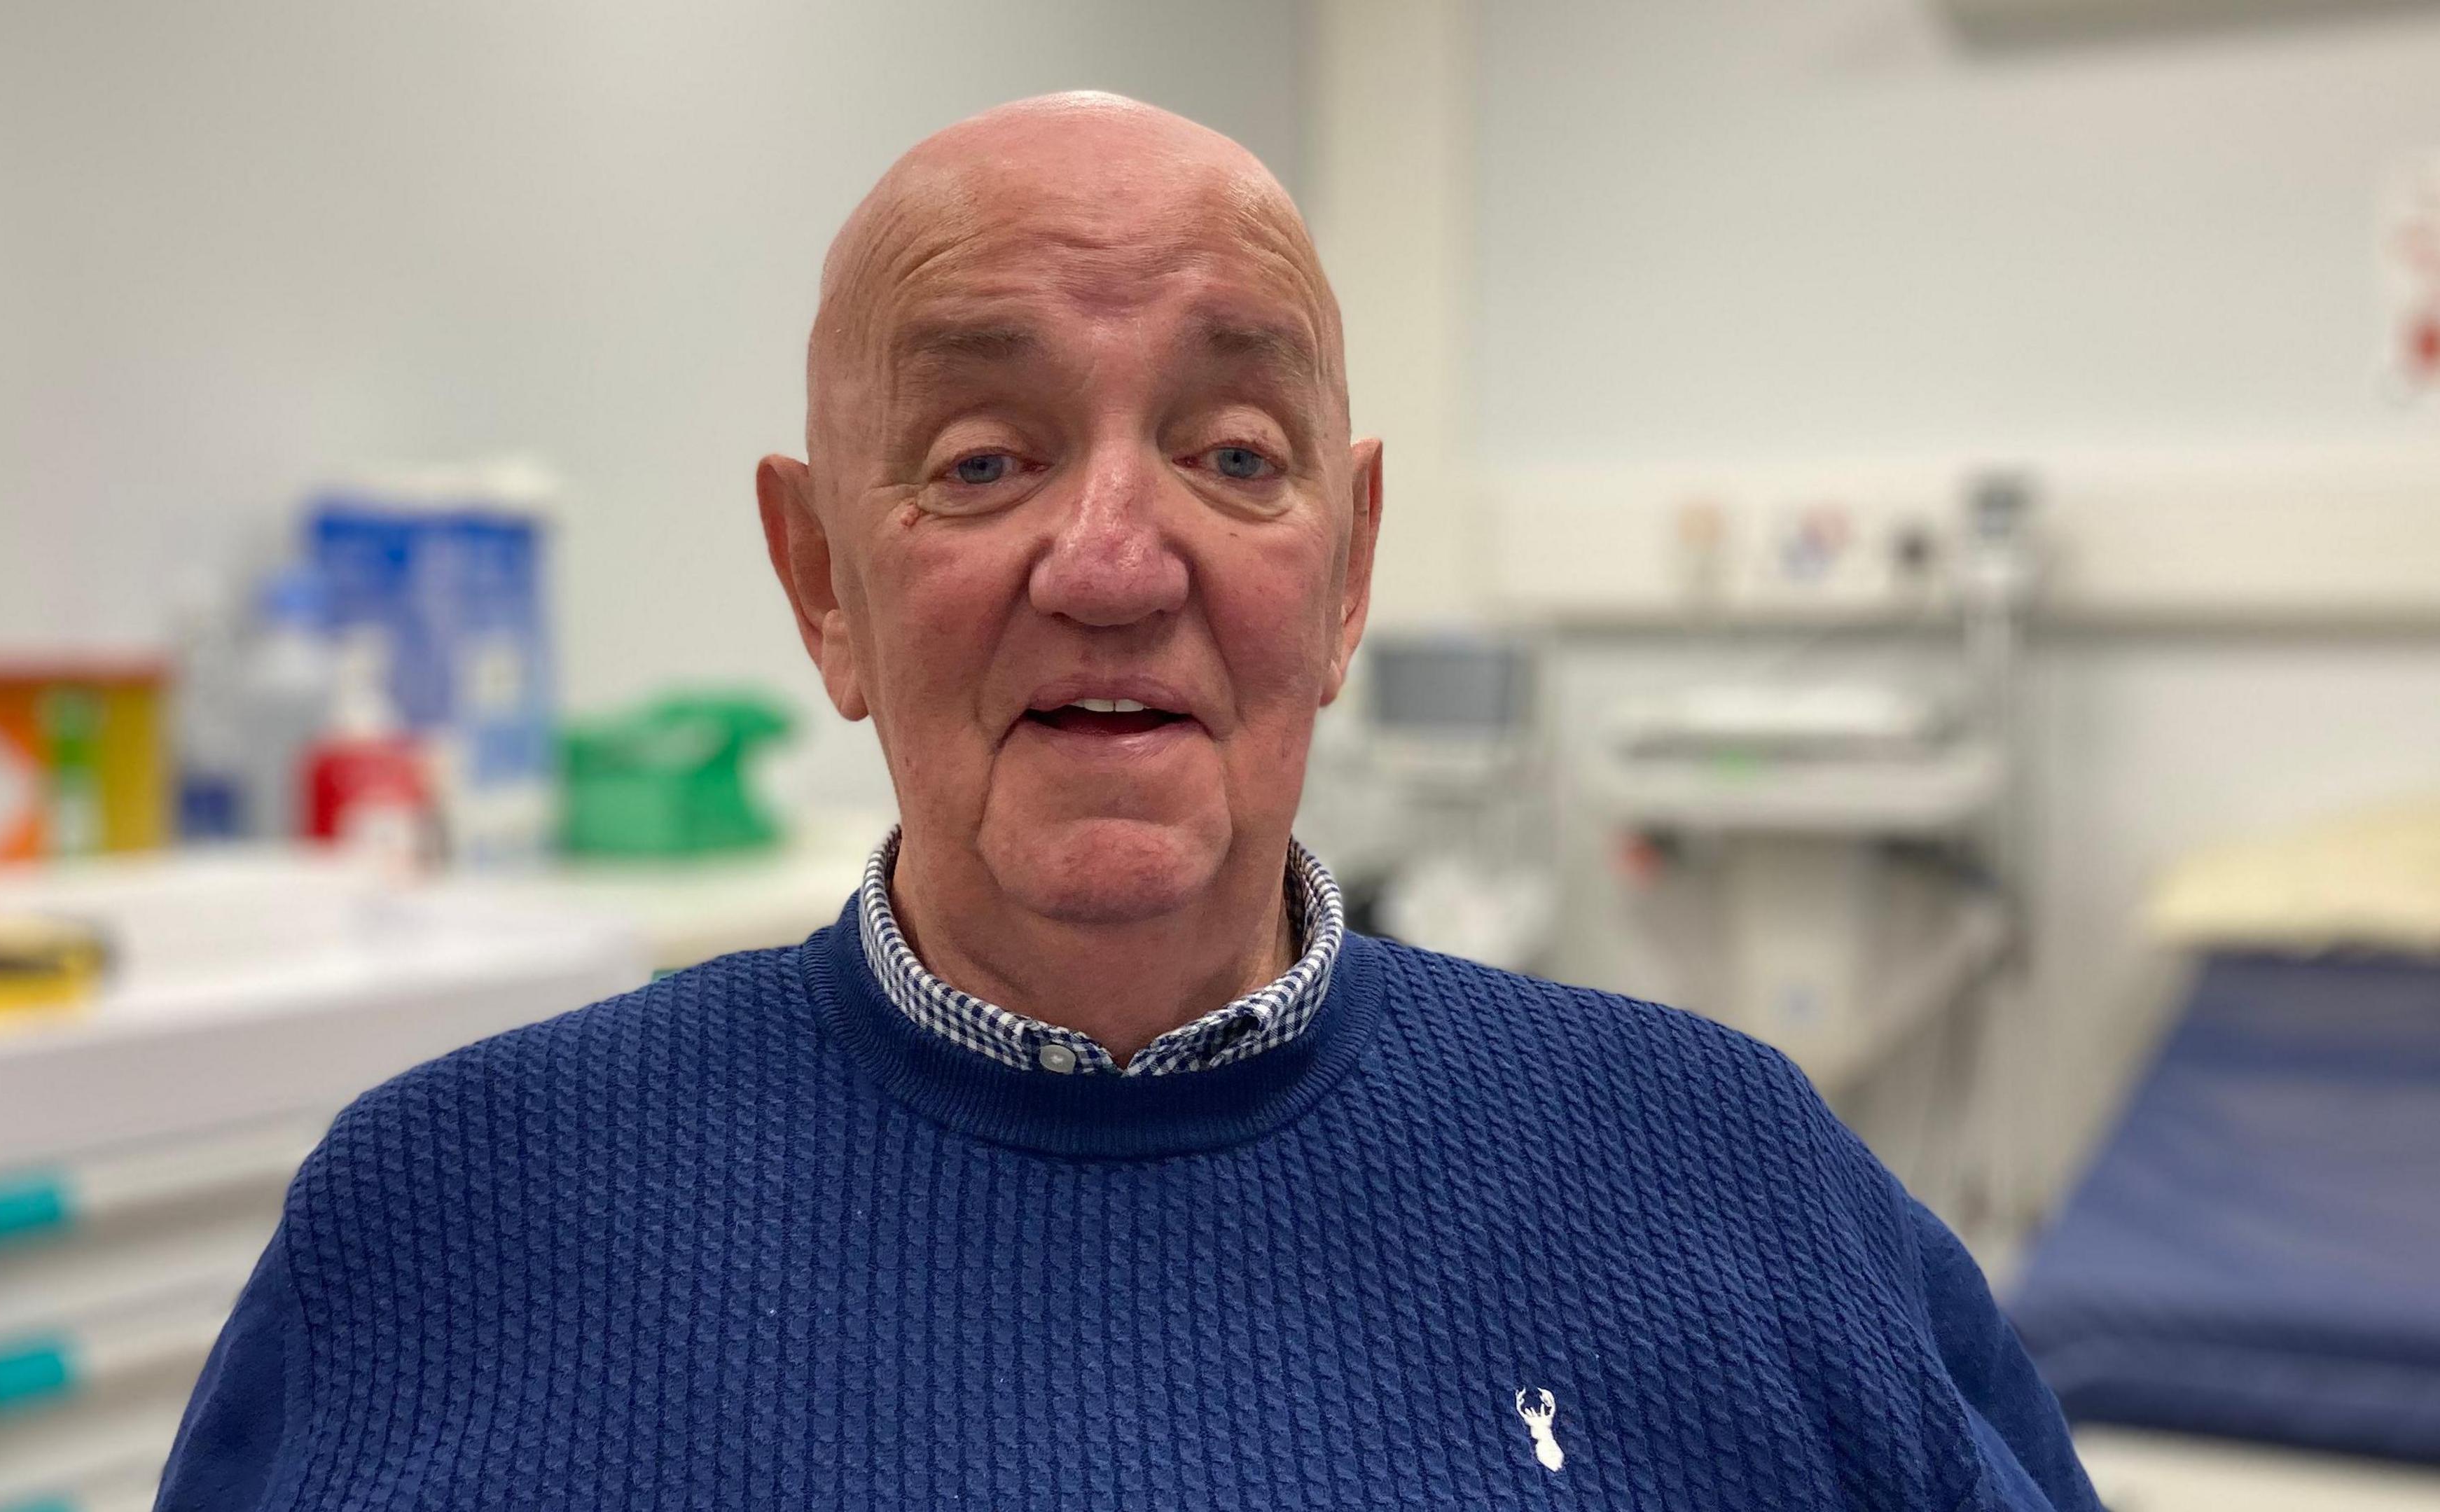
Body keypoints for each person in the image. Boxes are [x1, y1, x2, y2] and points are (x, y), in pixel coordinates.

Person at [157, 92, 2099, 1511]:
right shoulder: (440, 1227)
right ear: (822, 580)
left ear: (1344, 576)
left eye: (1234, 451)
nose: (1113, 556)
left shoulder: (1729, 1185)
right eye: (987, 459)